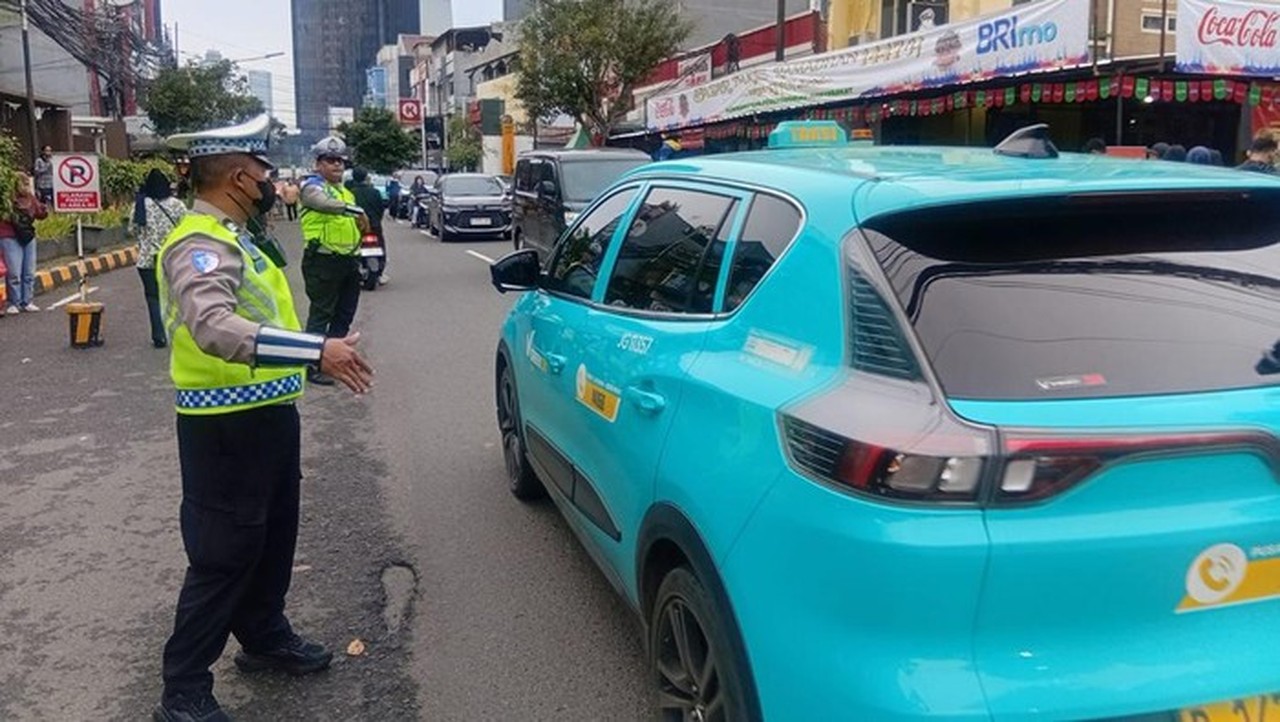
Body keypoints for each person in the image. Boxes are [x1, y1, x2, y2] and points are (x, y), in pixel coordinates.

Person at [153, 114, 373, 722]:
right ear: (242, 176)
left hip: (269, 413)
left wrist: (306, 360)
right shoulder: (200, 244)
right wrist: (316, 350)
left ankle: (263, 636)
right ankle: (184, 690)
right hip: (223, 428)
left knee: (275, 536)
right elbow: (214, 327)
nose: (274, 184)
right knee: (223, 553)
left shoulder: (237, 236)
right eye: (266, 173)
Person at [299, 136, 369, 386]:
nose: (337, 165)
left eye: (340, 160)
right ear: (318, 164)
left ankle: (332, 359)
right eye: (330, 160)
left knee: (344, 314)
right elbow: (320, 204)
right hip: (322, 261)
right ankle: (311, 364)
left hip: (348, 261)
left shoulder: (346, 192)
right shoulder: (312, 187)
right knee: (321, 314)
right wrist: (355, 211)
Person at [132, 168, 187, 348]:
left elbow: (133, 230)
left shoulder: (140, 204)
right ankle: (178, 332)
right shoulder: (177, 205)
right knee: (175, 296)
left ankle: (159, 335)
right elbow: (186, 230)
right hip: (173, 259)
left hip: (147, 260)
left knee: (153, 297)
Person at [1, 172, 48, 314]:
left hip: (27, 236)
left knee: (28, 271)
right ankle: (14, 302)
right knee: (14, 272)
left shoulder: (30, 198)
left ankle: (27, 301)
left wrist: (44, 206)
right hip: (9, 235)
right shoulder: (6, 199)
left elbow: (40, 214)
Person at [349, 167, 388, 285]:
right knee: (380, 248)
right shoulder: (374, 192)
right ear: (366, 177)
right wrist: (376, 220)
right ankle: (380, 273)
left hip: (357, 227)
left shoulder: (350, 193)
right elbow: (381, 209)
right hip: (374, 226)